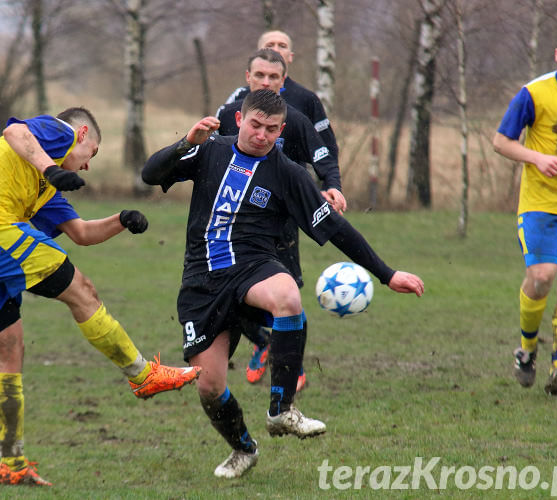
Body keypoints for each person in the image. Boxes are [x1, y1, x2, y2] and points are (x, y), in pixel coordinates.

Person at [142, 89, 424, 478]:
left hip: (254, 266)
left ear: (281, 130)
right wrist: (184, 144)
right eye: (255, 125)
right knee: (209, 387)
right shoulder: (211, 150)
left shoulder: (289, 173)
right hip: (201, 281)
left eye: (271, 129)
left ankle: (282, 409)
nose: (262, 135)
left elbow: (337, 229)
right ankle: (243, 449)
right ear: (240, 120)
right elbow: (150, 174)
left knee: (288, 296)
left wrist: (387, 274)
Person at [0, 107, 202, 486]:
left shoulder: (45, 183)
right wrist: (51, 168)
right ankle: (142, 374)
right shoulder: (56, 133)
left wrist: (121, 220)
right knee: (82, 289)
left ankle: (12, 464)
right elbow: (15, 133)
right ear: (80, 134)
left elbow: (80, 231)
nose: (88, 167)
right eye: (90, 154)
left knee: (8, 349)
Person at [217, 48, 346, 390]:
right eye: (259, 75)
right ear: (248, 77)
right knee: (234, 294)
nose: (266, 82)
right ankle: (262, 341)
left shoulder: (297, 114)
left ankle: (292, 364)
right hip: (235, 222)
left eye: (273, 77)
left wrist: (332, 186)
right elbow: (209, 160)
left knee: (287, 295)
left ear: (283, 79)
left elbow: (324, 155)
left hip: (284, 222)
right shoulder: (230, 112)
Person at [493, 26, 557, 396]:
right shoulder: (534, 92)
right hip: (539, 204)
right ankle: (527, 350)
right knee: (542, 277)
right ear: (556, 54)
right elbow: (501, 141)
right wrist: (537, 158)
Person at [225, 30, 339, 162]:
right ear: (259, 52)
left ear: (290, 56)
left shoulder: (307, 98)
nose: (276, 50)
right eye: (270, 45)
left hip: (286, 178)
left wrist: (326, 179)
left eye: (282, 46)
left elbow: (327, 149)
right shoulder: (238, 96)